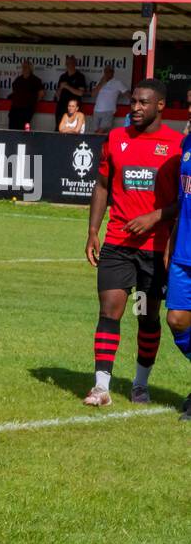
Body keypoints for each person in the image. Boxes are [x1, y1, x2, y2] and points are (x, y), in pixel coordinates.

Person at [83, 79, 182, 407]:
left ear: (160, 106)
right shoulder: (116, 138)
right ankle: (101, 387)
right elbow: (101, 185)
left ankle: (140, 384)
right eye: (133, 102)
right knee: (110, 309)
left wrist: (155, 217)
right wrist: (93, 230)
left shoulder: (177, 146)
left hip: (155, 249)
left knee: (147, 316)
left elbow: (185, 200)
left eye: (143, 103)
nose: (135, 108)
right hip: (117, 245)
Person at [165, 131, 191, 419]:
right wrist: (172, 239)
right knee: (177, 319)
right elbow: (184, 201)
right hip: (183, 249)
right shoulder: (186, 144)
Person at [8, 61, 43, 130]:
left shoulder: (36, 80)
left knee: (25, 128)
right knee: (12, 128)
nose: (24, 68)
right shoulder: (18, 80)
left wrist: (32, 103)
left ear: (30, 68)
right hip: (15, 109)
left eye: (26, 67)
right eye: (23, 67)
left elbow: (41, 94)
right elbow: (14, 92)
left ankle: (26, 140)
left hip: (27, 110)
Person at [91, 65, 126, 133]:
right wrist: (101, 83)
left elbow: (127, 93)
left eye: (108, 71)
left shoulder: (117, 82)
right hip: (97, 110)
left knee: (101, 131)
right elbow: (93, 94)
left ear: (113, 72)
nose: (106, 73)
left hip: (108, 111)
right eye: (105, 71)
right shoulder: (99, 82)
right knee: (96, 132)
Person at [55, 55, 87, 129]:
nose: (69, 65)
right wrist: (60, 88)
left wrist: (67, 86)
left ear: (75, 64)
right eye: (67, 63)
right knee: (59, 127)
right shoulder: (63, 76)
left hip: (73, 107)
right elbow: (57, 94)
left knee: (71, 128)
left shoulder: (80, 76)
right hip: (61, 106)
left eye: (71, 63)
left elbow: (80, 93)